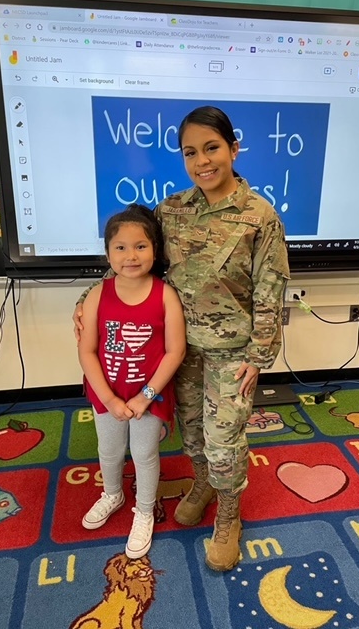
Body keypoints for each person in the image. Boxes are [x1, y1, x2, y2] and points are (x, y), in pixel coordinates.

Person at [74, 106, 289, 571]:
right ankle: (202, 483)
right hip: (177, 351)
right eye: (190, 152)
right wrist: (88, 298)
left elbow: (272, 287)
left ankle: (229, 516)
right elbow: (129, 254)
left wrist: (260, 355)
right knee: (190, 434)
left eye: (212, 148)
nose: (202, 161)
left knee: (223, 438)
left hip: (233, 351)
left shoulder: (260, 216)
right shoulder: (171, 210)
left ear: (233, 148)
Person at [78, 203, 185, 560]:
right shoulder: (97, 294)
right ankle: (112, 493)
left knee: (143, 453)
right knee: (108, 451)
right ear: (108, 252)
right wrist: (109, 400)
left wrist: (145, 396)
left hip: (148, 397)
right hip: (106, 395)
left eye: (140, 246)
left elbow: (174, 352)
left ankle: (143, 509)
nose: (130, 255)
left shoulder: (165, 295)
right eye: (120, 247)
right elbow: (88, 351)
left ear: (155, 250)